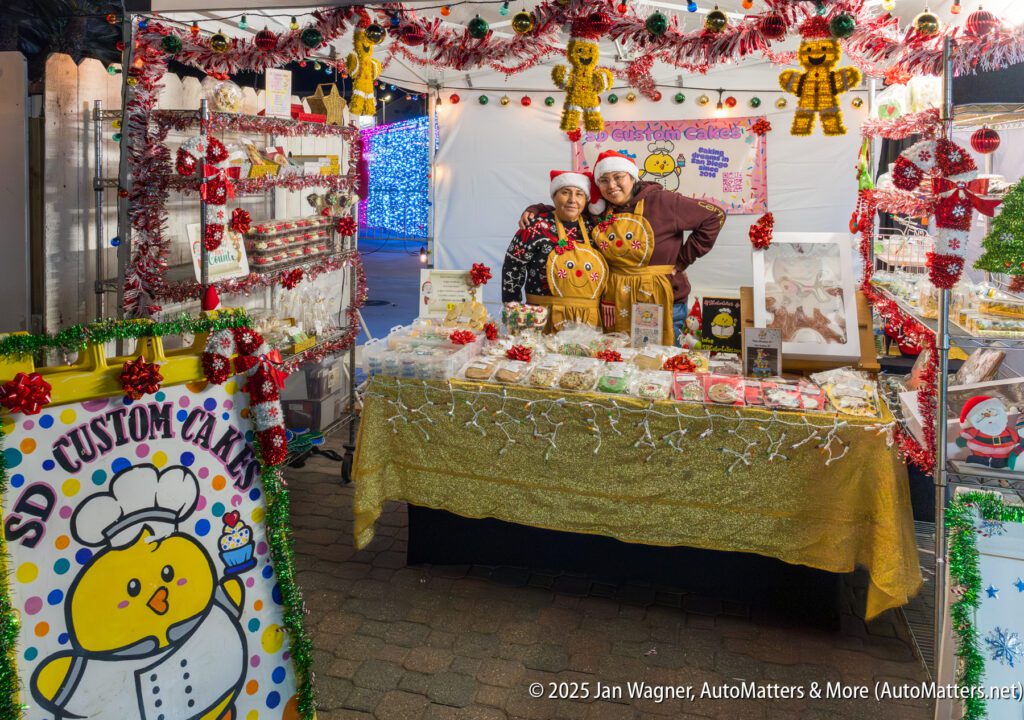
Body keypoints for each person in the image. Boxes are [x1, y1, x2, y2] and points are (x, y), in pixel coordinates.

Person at [520, 150, 725, 346]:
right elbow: (568, 207)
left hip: (661, 298)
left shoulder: (663, 201)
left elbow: (714, 215)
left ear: (632, 177)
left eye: (618, 177)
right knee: (616, 364)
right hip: (614, 301)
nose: (612, 186)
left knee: (659, 361)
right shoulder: (600, 210)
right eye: (604, 180)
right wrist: (537, 209)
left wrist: (682, 260)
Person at [502, 170, 609, 332]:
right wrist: (513, 308)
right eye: (565, 193)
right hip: (541, 317)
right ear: (554, 196)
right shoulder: (535, 226)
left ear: (586, 200)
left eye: (579, 194)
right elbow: (513, 266)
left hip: (587, 319)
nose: (572, 200)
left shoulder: (594, 228)